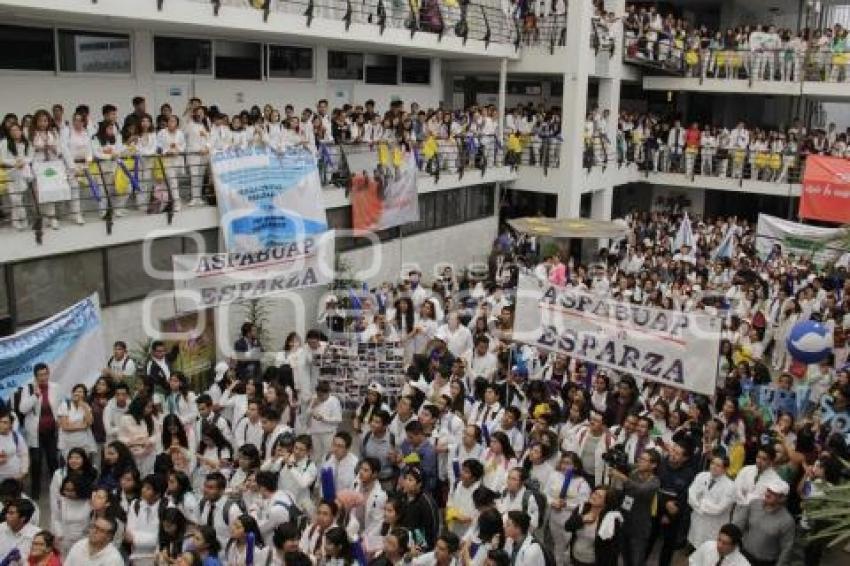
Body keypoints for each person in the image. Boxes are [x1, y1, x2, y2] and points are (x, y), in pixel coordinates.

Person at [18, 362, 61, 499]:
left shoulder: (55, 387)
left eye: (45, 374)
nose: (43, 377)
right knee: (36, 462)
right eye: (40, 375)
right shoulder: (28, 388)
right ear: (35, 376)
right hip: (35, 433)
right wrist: (35, 396)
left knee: (53, 461)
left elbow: (59, 407)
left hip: (51, 432)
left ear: (48, 373)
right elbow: (22, 409)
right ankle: (35, 493)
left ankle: (58, 490)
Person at [732, 479, 794, 566]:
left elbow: (787, 549)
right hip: (743, 555)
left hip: (764, 563)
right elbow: (739, 525)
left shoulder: (787, 521)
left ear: (782, 498)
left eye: (773, 493)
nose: (768, 494)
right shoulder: (754, 504)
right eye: (768, 490)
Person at [564, 485, 622, 566]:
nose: (594, 496)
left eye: (599, 496)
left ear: (606, 502)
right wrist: (582, 519)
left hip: (593, 562)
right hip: (575, 558)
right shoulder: (582, 508)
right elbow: (567, 526)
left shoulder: (610, 519)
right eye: (595, 493)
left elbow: (612, 550)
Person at [687, 455, 735, 550]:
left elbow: (718, 509)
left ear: (725, 469)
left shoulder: (730, 486)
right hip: (698, 519)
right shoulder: (701, 476)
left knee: (708, 549)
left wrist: (701, 502)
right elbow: (691, 494)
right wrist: (699, 503)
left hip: (714, 524)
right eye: (712, 463)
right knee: (694, 542)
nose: (713, 467)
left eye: (718, 465)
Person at [125, 474, 164, 565]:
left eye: (148, 488)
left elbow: (158, 539)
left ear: (157, 494)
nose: (143, 490)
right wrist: (148, 538)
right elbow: (128, 534)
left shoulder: (165, 508)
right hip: (135, 557)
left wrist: (136, 538)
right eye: (143, 487)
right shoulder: (135, 504)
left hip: (155, 559)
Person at [351, 457, 387, 556]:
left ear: (375, 474)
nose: (361, 472)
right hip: (353, 531)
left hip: (368, 537)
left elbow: (377, 523)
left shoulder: (380, 495)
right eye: (361, 469)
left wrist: (363, 540)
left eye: (366, 470)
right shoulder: (356, 483)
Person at [400, 466, 440, 551]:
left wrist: (422, 549)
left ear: (419, 484)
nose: (406, 482)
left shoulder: (426, 503)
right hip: (404, 542)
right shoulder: (402, 496)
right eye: (405, 478)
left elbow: (432, 531)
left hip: (420, 547)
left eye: (410, 480)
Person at [308, 381, 343, 462]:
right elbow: (307, 413)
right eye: (318, 394)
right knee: (316, 455)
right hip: (315, 432)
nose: (319, 397)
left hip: (328, 433)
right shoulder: (315, 398)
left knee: (328, 455)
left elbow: (338, 419)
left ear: (327, 393)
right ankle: (316, 473)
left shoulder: (334, 401)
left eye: (321, 395)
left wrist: (323, 419)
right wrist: (312, 406)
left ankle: (327, 472)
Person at [322, 432, 359, 498]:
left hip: (345, 501)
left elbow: (354, 489)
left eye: (340, 446)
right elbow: (322, 481)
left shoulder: (355, 464)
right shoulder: (328, 457)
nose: (335, 449)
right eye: (334, 444)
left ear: (348, 449)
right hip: (328, 498)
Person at [0, 411, 28, 481]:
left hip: (15, 476)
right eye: (0, 422)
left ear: (11, 424)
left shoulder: (16, 436)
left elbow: (24, 454)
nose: (2, 425)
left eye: (5, 422)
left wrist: (23, 472)